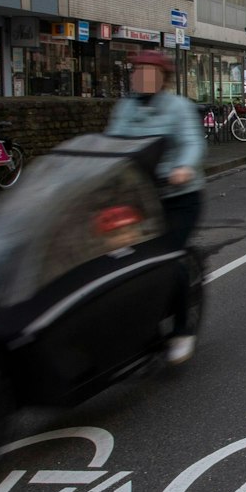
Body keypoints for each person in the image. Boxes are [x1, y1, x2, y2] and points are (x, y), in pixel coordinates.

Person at [105, 50, 206, 363]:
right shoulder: (125, 108)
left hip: (178, 197)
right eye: (138, 72)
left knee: (169, 259)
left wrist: (183, 169)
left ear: (164, 79)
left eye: (151, 72)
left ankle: (181, 329)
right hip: (136, 197)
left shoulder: (178, 107)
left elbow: (192, 142)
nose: (143, 78)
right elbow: (111, 143)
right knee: (115, 259)